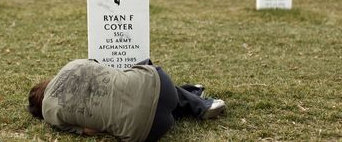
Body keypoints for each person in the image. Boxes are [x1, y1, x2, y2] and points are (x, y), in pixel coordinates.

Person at [28, 59, 226, 141]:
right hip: (162, 88)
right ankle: (194, 98)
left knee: (145, 105)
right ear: (46, 83)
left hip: (147, 131)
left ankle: (190, 97)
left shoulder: (50, 114)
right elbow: (105, 68)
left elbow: (90, 131)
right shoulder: (71, 65)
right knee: (143, 66)